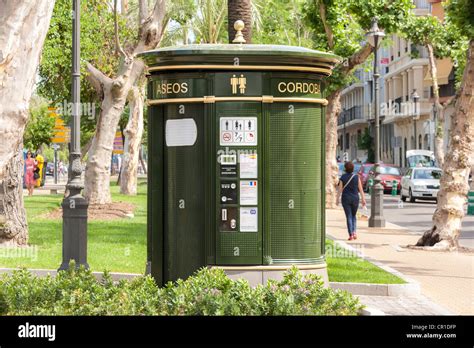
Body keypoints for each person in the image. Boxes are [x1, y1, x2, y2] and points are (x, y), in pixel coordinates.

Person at [336, 162, 366, 241]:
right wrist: (363, 199)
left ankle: (351, 234)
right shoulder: (356, 177)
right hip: (355, 198)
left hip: (346, 198)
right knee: (354, 215)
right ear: (353, 169)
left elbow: (339, 190)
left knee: (348, 216)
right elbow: (361, 189)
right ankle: (354, 232)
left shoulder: (342, 177)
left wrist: (337, 200)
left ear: (345, 169)